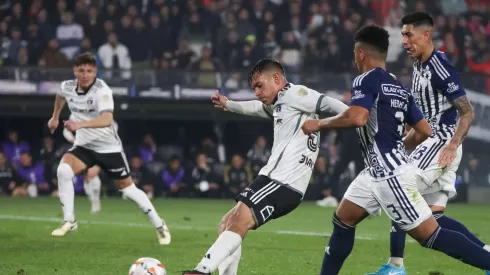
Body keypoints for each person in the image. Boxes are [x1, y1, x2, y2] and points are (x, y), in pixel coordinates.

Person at [301, 25, 490, 275]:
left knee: (431, 234)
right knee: (343, 219)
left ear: (360, 53)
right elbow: (423, 129)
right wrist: (396, 147)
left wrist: (319, 123)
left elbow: (357, 117)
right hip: (374, 173)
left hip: (389, 176)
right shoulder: (398, 87)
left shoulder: (364, 80)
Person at [181, 58, 348, 275]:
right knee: (227, 224)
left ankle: (201, 270)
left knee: (238, 221)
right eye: (254, 88)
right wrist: (229, 104)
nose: (257, 92)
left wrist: (336, 121)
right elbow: (256, 107)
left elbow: (340, 108)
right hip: (276, 180)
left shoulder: (296, 94)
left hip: (283, 181)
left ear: (277, 78)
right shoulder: (280, 103)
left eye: (260, 85)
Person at [367, 12, 488, 275]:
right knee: (435, 219)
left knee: (396, 185)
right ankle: (487, 255)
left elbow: (467, 112)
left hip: (440, 143)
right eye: (403, 35)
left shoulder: (440, 67)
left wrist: (452, 145)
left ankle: (396, 266)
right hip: (428, 142)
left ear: (426, 35)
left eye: (409, 34)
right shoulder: (418, 64)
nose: (405, 41)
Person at [47, 52, 171, 245]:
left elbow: (106, 120)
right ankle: (69, 220)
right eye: (81, 70)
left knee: (128, 190)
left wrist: (80, 125)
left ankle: (159, 224)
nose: (86, 74)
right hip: (84, 147)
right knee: (63, 170)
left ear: (95, 72)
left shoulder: (102, 90)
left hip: (108, 148)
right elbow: (60, 95)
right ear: (75, 71)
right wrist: (55, 117)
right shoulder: (68, 86)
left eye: (90, 71)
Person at [63, 114, 106, 214]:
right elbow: (66, 131)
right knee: (85, 177)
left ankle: (95, 201)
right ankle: (93, 201)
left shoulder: (101, 111)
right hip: (81, 148)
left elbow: (113, 126)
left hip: (98, 146)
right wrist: (74, 141)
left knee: (92, 173)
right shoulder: (75, 113)